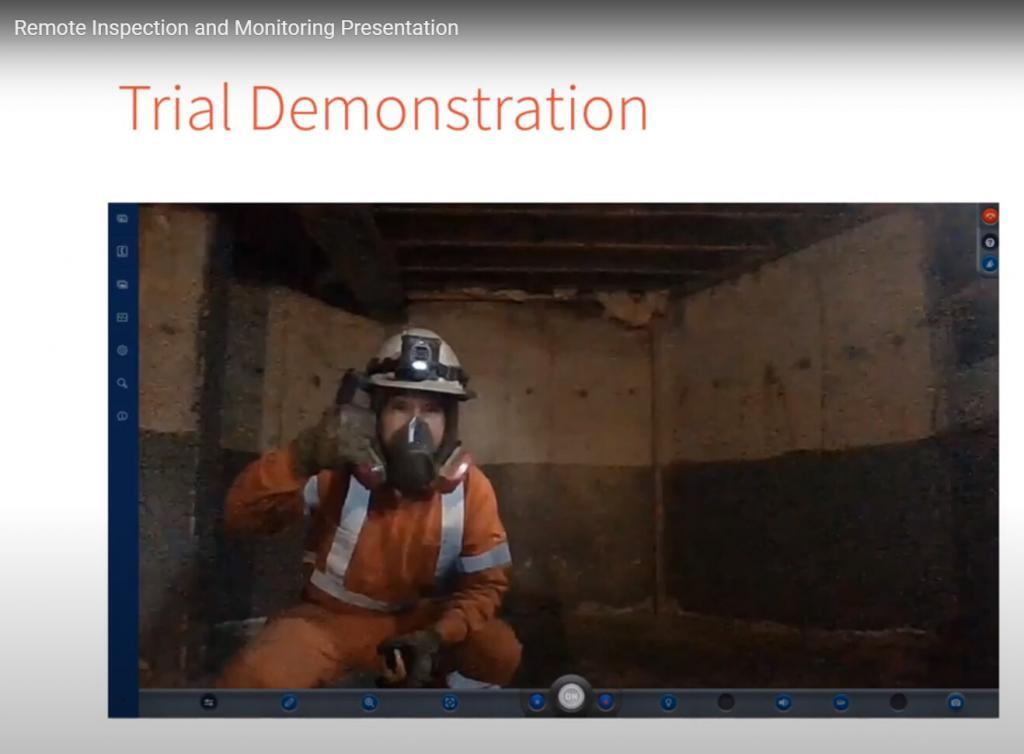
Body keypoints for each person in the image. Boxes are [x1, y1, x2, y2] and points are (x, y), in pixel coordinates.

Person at [216, 328, 521, 689]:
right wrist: (302, 457)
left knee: (497, 651)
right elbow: (240, 515)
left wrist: (436, 637)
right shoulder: (334, 471)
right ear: (375, 413)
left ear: (449, 421)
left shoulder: (471, 489)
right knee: (256, 677)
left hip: (421, 623)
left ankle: (438, 698)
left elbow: (484, 587)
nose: (415, 426)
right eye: (400, 407)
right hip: (330, 622)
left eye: (432, 410)